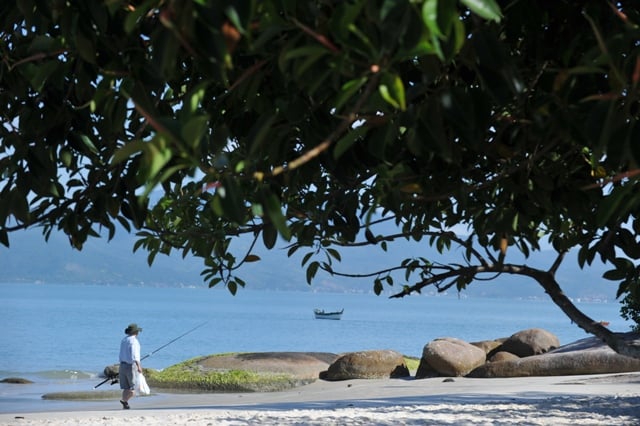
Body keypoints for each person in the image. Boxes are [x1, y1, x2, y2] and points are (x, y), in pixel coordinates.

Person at [118, 323, 142, 409]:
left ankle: (125, 404)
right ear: (136, 332)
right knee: (134, 389)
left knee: (126, 387)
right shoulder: (134, 341)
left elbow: (121, 354)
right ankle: (124, 401)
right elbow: (135, 355)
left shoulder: (124, 340)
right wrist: (139, 366)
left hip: (122, 365)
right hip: (130, 366)